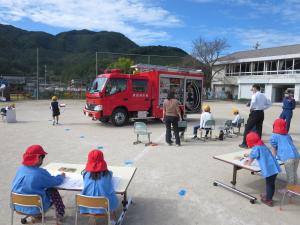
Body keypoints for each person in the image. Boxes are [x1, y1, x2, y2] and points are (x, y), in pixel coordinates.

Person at [11, 145, 65, 223]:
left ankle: (36, 215)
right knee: (52, 190)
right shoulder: (40, 173)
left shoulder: (20, 169)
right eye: (43, 157)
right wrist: (61, 176)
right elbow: (55, 182)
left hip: (17, 205)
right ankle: (60, 213)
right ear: (39, 158)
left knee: (31, 190)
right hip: (37, 207)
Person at [81, 150, 119, 224]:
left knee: (92, 195)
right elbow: (110, 174)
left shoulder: (85, 174)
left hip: (87, 204)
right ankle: (112, 220)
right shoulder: (107, 174)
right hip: (105, 206)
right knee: (110, 196)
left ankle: (92, 216)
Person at [244, 132, 281, 207]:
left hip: (269, 170)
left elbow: (252, 158)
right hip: (275, 167)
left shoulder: (256, 148)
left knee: (269, 185)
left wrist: (247, 162)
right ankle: (268, 196)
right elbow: (256, 153)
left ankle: (268, 200)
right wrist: (249, 155)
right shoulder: (262, 145)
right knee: (271, 184)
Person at [270, 118, 299, 190]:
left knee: (290, 176)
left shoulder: (274, 135)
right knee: (294, 173)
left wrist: (273, 160)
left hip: (288, 157)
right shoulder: (287, 135)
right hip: (296, 155)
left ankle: (290, 191)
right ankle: (295, 189)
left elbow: (274, 151)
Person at [239, 84, 271, 148]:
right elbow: (269, 104)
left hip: (255, 113)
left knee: (247, 128)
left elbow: (253, 102)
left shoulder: (255, 94)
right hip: (261, 113)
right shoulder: (264, 95)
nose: (252, 90)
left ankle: (244, 143)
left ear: (255, 88)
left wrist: (251, 108)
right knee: (259, 128)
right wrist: (263, 108)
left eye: (252, 89)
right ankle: (258, 143)